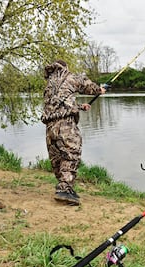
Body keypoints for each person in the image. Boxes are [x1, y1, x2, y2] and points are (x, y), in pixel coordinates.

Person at [41, 60, 106, 205]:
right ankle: (65, 189)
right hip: (65, 125)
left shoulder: (50, 85)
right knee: (71, 153)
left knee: (57, 156)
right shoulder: (69, 77)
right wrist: (99, 90)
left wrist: (79, 107)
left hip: (50, 126)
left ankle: (63, 188)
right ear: (65, 68)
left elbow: (59, 103)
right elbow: (85, 84)